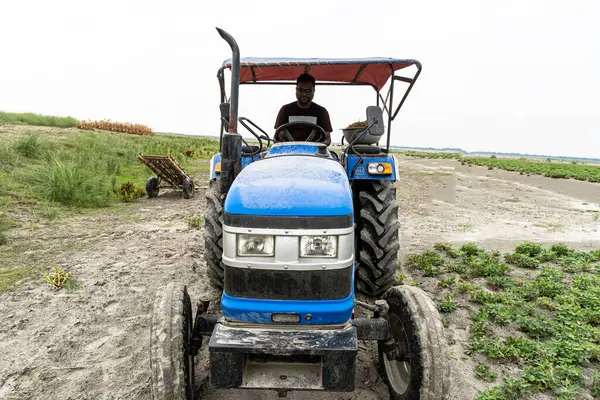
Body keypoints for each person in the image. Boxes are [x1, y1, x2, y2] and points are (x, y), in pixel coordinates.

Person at [274, 73, 333, 146]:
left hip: (314, 152)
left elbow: (327, 139)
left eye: (308, 91)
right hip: (289, 150)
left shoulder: (321, 111)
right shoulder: (285, 110)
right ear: (296, 90)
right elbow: (279, 136)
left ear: (313, 91)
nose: (304, 94)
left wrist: (316, 147)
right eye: (301, 90)